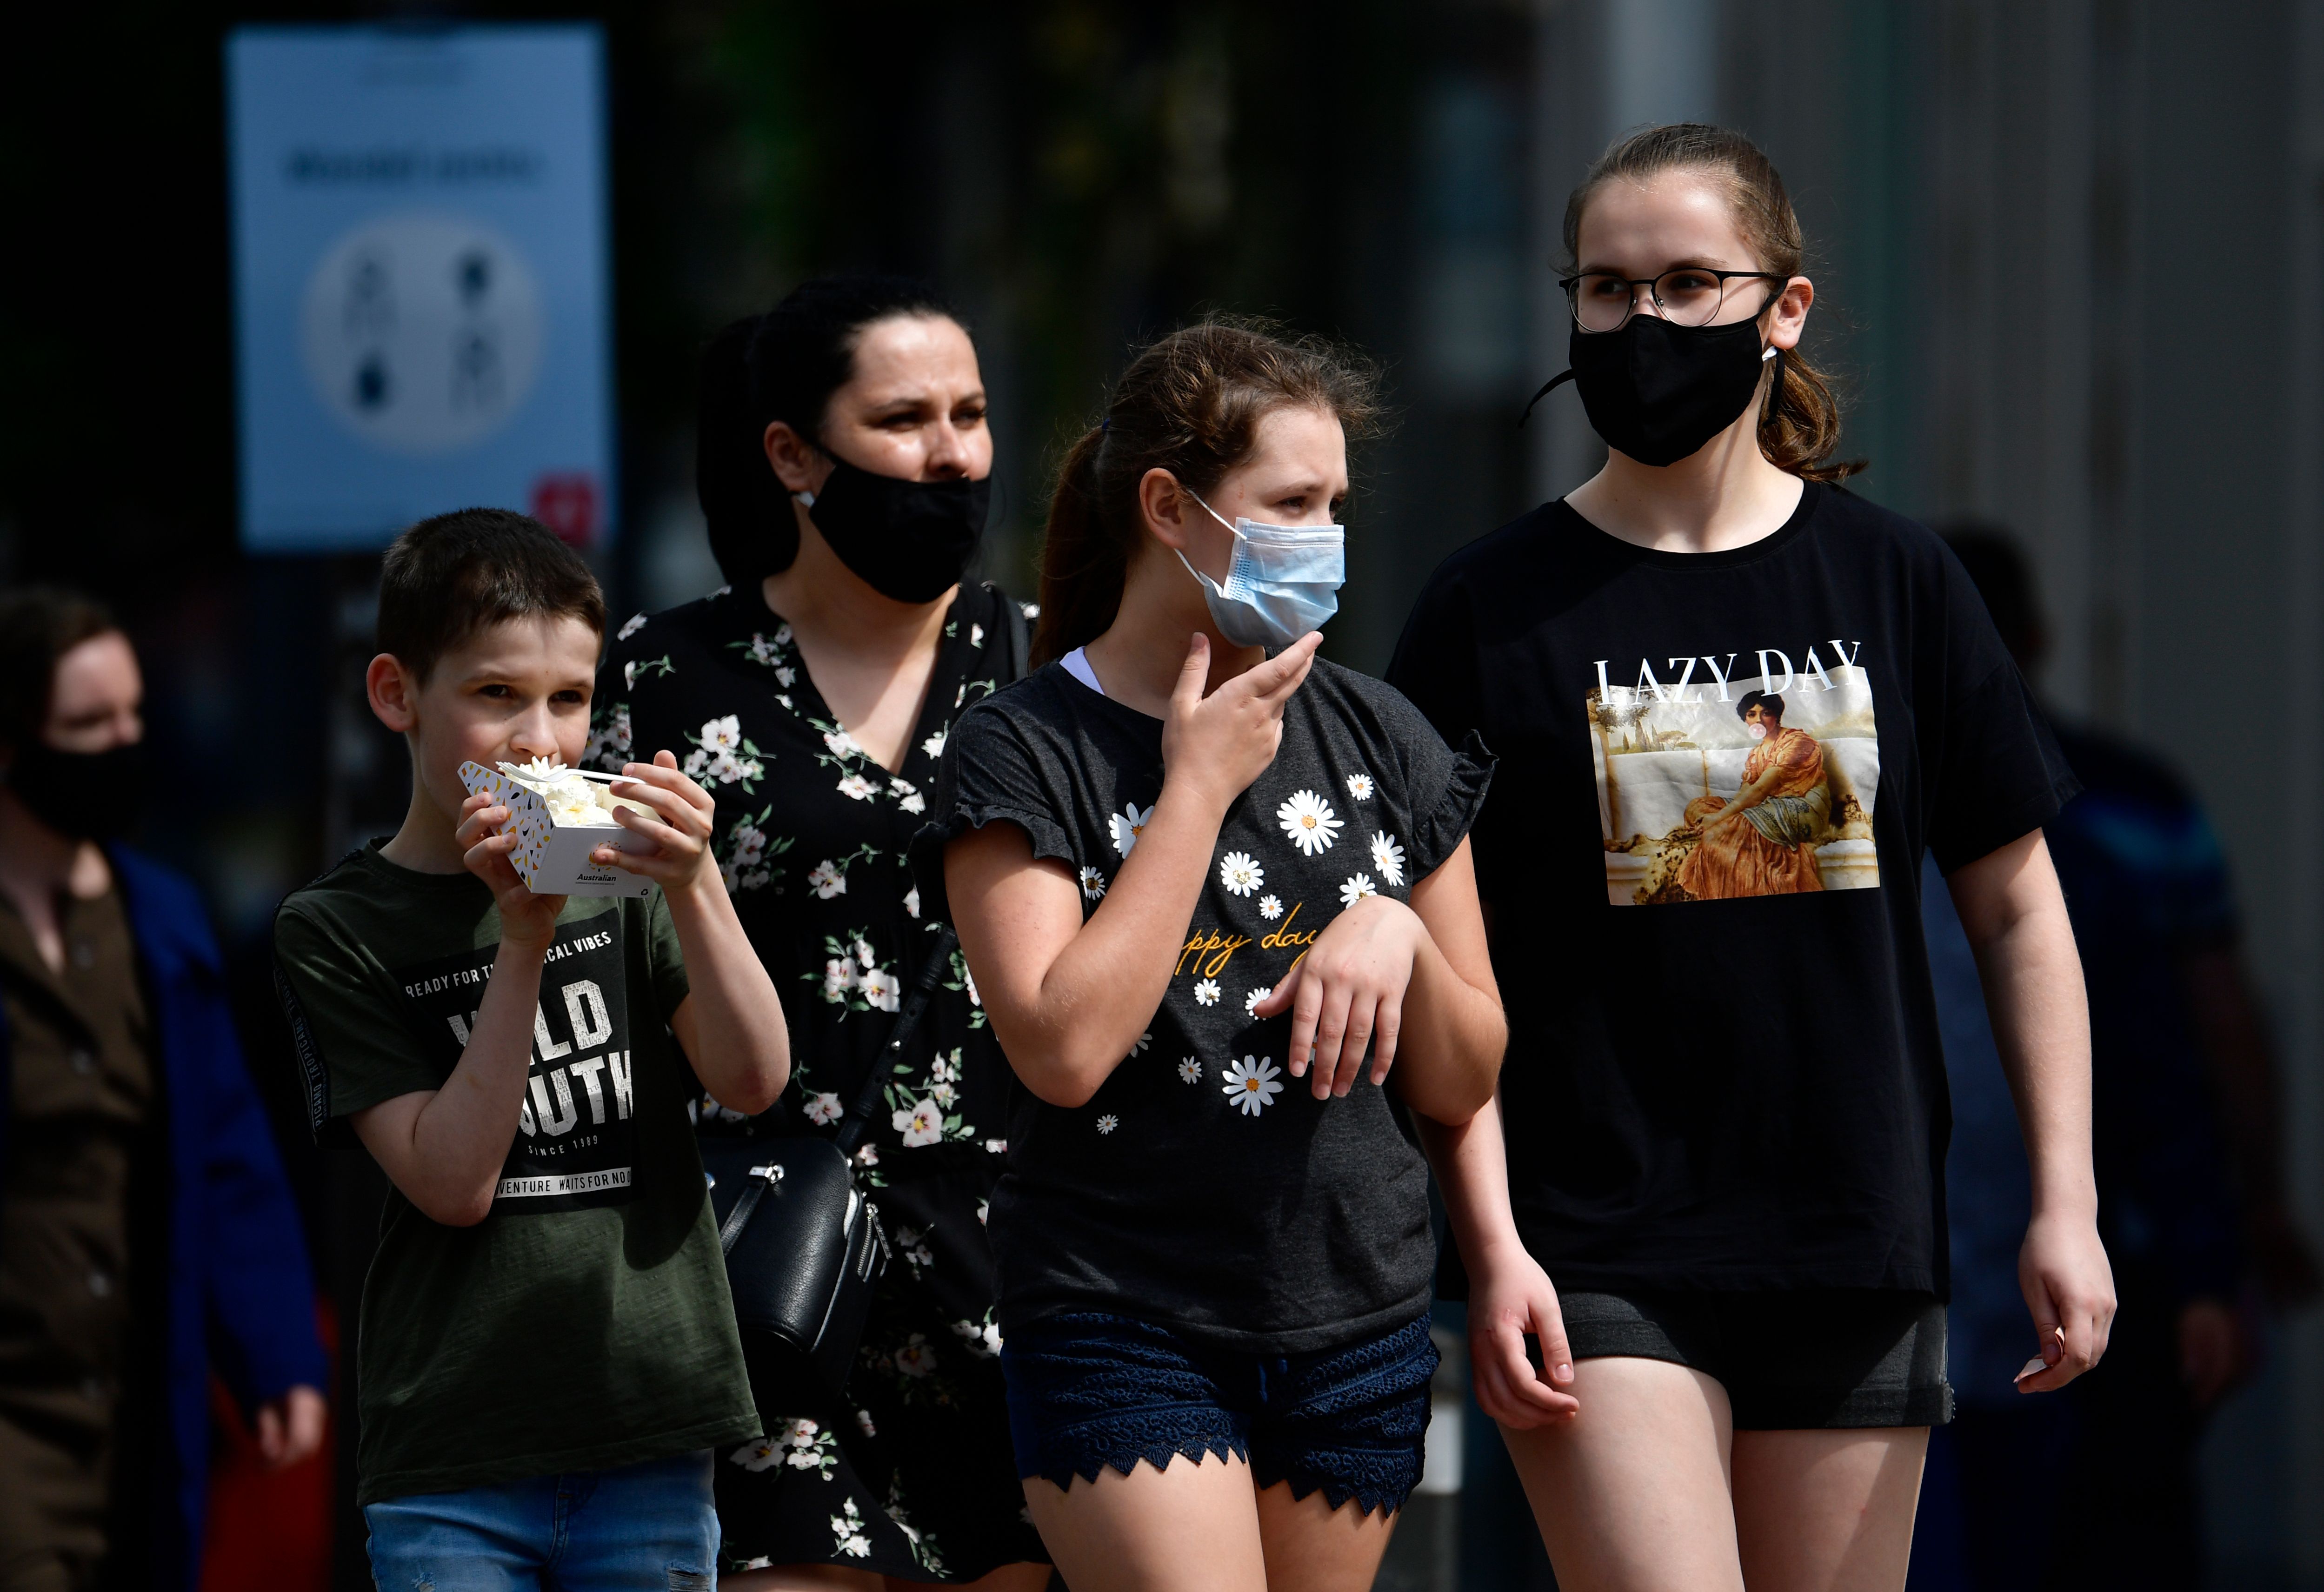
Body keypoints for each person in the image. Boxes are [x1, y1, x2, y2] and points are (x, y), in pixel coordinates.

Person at [1385, 123, 2116, 1591]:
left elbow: (2018, 910)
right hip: (1590, 1242)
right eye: (1603, 290)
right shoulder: (1485, 608)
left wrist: (2063, 1201)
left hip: (1852, 1230)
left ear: (1781, 311)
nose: (1640, 324)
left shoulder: (1897, 580)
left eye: (1683, 285)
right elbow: (1416, 924)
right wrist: (1483, 1241)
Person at [920, 318, 1508, 1592]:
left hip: (1353, 1310)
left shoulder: (1383, 735)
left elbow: (1466, 1076)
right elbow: (1061, 1049)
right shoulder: (1019, 749)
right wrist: (1189, 796)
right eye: (1290, 502)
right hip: (1118, 1312)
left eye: (1334, 504)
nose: (1324, 535)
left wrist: (1396, 933)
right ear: (1166, 509)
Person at [596, 275, 1049, 1590]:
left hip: (1018, 1276)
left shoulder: (1047, 663)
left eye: (969, 414)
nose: (951, 452)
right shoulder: (660, 680)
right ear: (791, 455)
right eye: (903, 417)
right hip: (770, 1285)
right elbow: (596, 971)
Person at [272, 510, 789, 1588]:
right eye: (496, 694)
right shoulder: (335, 925)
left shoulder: (632, 879)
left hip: (648, 1428)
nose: (542, 742)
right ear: (396, 694)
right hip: (454, 1456)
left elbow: (752, 1078)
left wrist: (695, 882)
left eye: (570, 699)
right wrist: (522, 941)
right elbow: (452, 1181)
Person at [1901, 530, 2319, 1592]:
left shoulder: (2081, 840)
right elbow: (2199, 1038)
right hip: (1906, 1311)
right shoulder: (1838, 824)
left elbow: (2174, 1050)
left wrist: (2213, 1252)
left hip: (2060, 1293)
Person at [0, 589, 328, 1592]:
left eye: (134, 715)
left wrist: (273, 1350)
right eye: (89, 725)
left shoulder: (163, 921)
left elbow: (224, 1152)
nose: (124, 744)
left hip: (138, 1402)